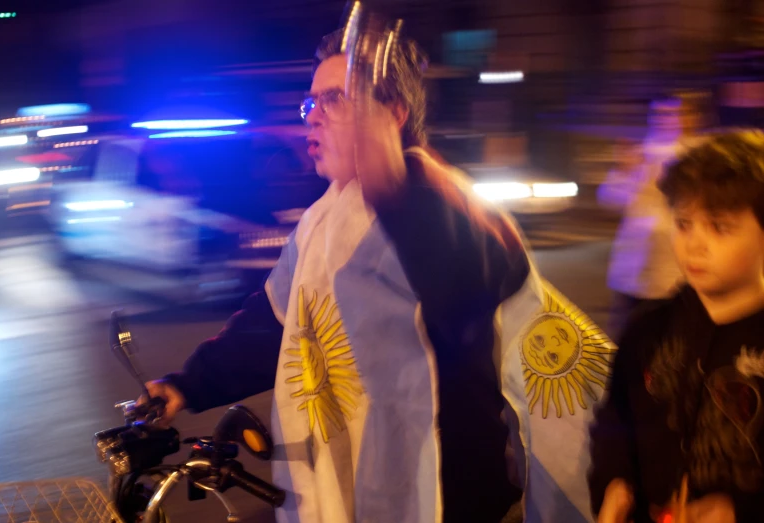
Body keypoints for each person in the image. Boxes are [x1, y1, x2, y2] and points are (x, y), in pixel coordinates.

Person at [142, 28, 530, 523]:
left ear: (392, 115)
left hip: (443, 493)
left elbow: (463, 276)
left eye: (334, 99)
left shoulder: (446, 205)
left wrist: (396, 186)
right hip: (347, 485)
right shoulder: (322, 220)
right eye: (310, 104)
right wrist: (186, 385)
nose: (314, 116)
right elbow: (278, 326)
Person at [588, 129, 764, 523]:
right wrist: (614, 484)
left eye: (720, 227)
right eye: (684, 223)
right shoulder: (649, 330)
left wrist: (740, 511)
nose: (694, 244)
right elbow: (614, 423)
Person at [598, 96, 697, 341]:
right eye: (658, 114)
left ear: (682, 120)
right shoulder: (637, 154)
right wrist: (624, 170)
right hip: (633, 266)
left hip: (672, 267)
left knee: (669, 337)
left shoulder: (691, 157)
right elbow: (609, 197)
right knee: (628, 336)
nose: (663, 120)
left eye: (670, 115)